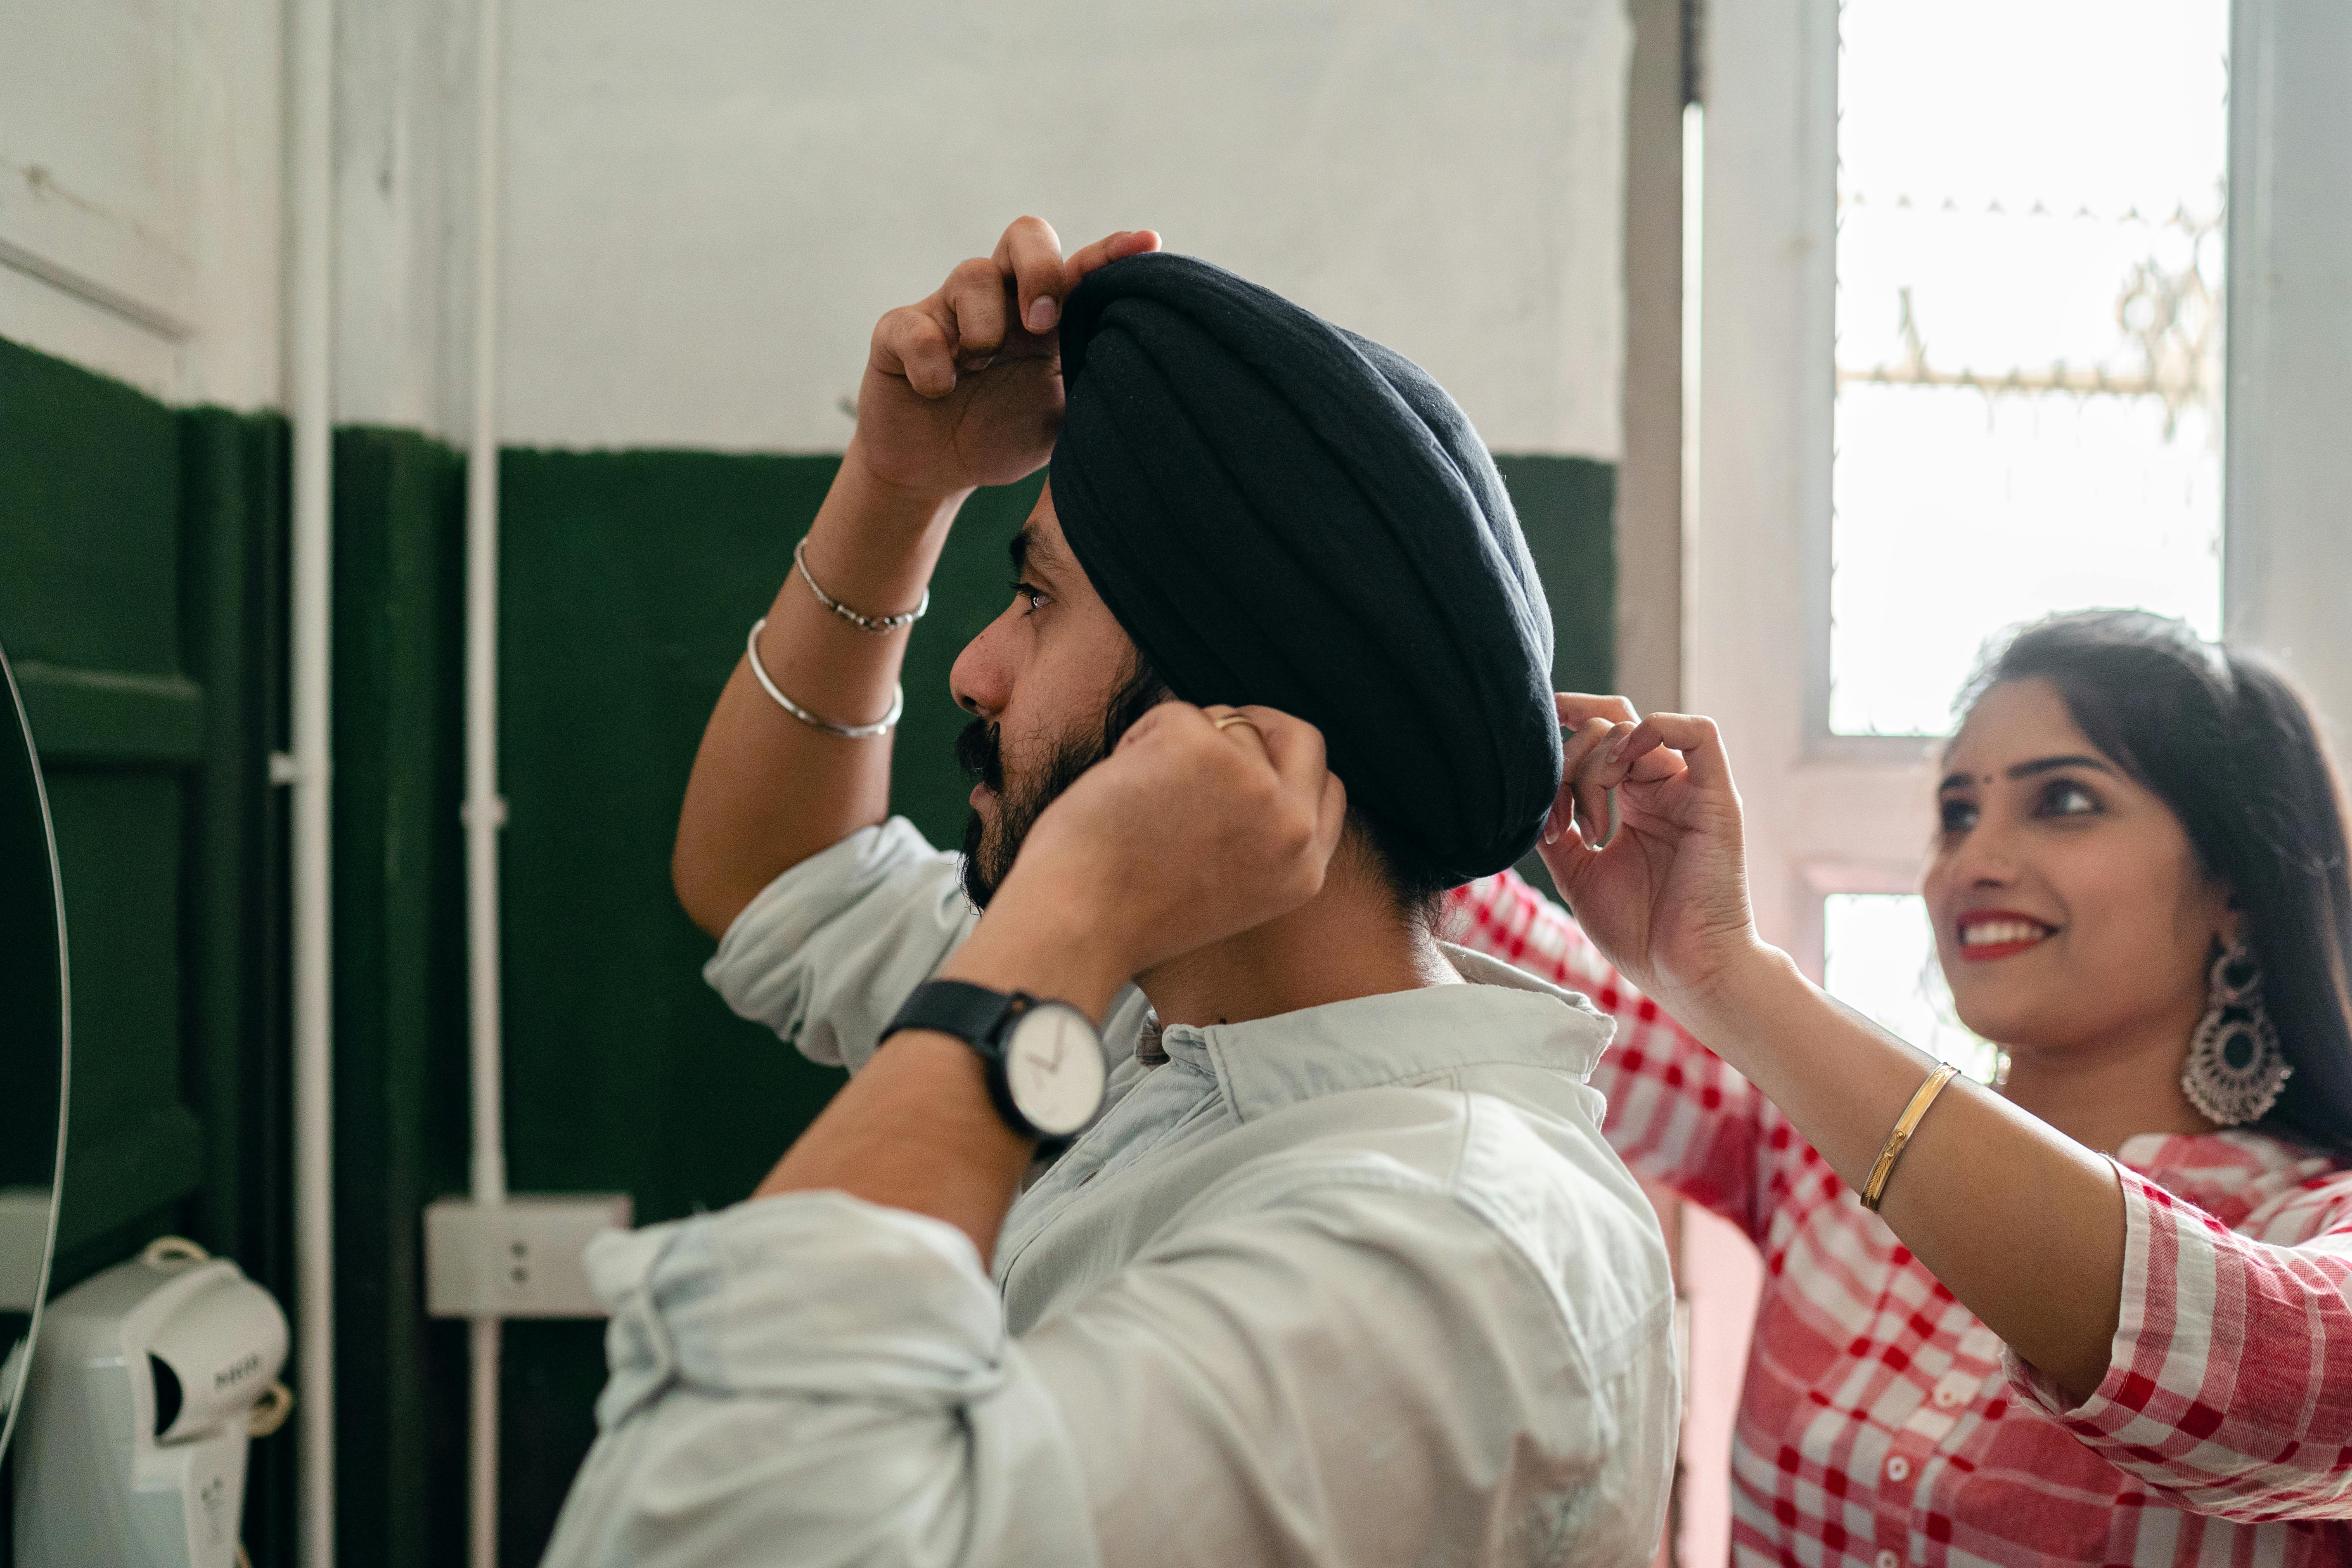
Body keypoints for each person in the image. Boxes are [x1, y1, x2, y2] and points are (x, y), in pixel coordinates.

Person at [539, 218, 1679, 1568]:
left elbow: (727, 1520)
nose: (971, 668)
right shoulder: (1177, 1021)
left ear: (1227, 716)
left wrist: (1066, 913)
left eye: (1035, 599)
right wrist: (897, 484)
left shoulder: (1439, 1246)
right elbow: (774, 882)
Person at [1450, 609, 2352, 1564]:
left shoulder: (2309, 1218)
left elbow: (2286, 1388)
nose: (1974, 863)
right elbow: (1518, 968)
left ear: (2236, 889)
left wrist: (1733, 974)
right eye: (1957, 814)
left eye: (2064, 803)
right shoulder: (1816, 1142)